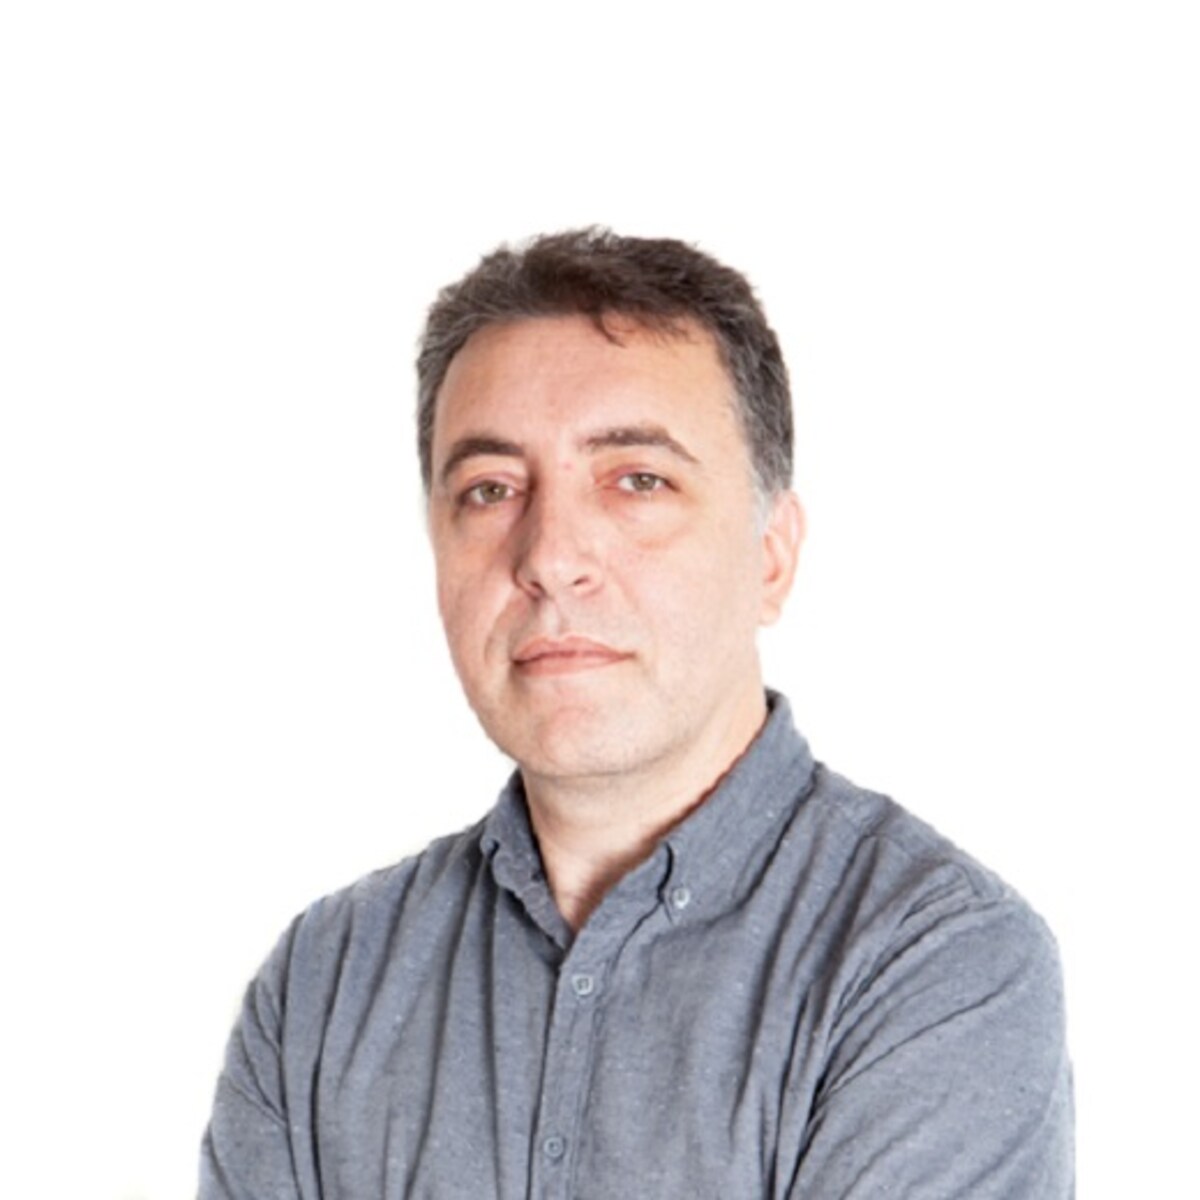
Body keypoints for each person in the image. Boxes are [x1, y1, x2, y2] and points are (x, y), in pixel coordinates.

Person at [199, 229, 1073, 1198]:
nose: (550, 556)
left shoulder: (936, 963)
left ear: (772, 557)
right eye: (490, 490)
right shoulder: (322, 985)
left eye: (637, 480)